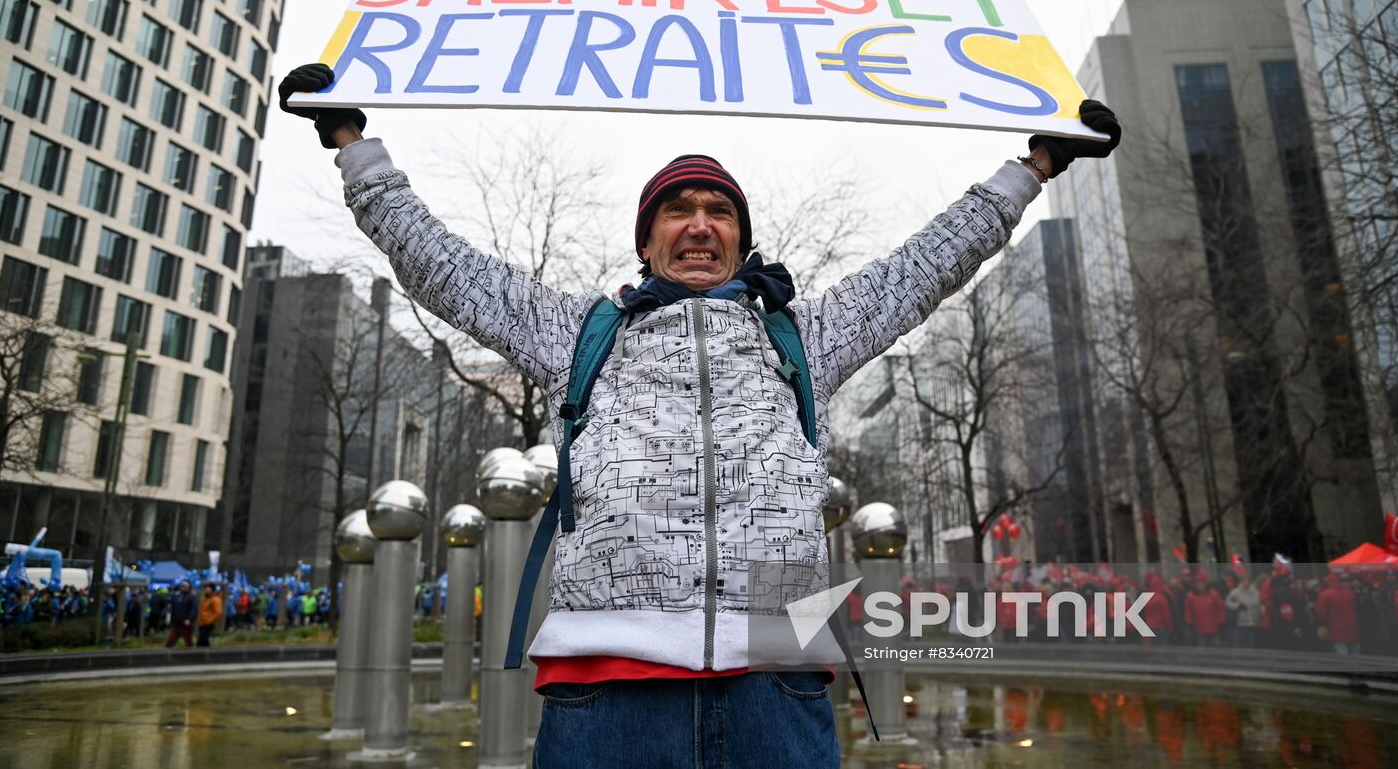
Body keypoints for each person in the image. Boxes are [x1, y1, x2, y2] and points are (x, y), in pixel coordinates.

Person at [279, 63, 1120, 768]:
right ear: (646, 241)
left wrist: (1032, 168)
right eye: (677, 211)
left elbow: (924, 264)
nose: (698, 225)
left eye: (718, 212)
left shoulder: (803, 337)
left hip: (776, 685)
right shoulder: (580, 333)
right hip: (609, 689)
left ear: (740, 242)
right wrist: (357, 149)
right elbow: (441, 265)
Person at [166, 581, 196, 648]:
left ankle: (193, 655)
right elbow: (171, 604)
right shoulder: (177, 596)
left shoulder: (191, 597)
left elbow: (194, 609)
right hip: (176, 623)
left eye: (185, 586)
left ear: (188, 588)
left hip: (185, 623)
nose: (183, 588)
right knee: (170, 641)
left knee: (189, 641)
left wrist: (190, 619)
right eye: (182, 586)